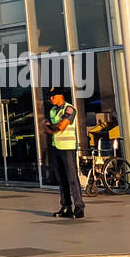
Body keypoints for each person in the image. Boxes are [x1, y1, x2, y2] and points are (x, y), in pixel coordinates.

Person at [45, 88, 84, 219]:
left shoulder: (69, 109)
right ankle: (66, 206)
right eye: (50, 96)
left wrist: (53, 128)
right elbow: (46, 127)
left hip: (67, 148)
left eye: (53, 96)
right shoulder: (53, 110)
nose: (51, 98)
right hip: (56, 147)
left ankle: (79, 207)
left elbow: (62, 126)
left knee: (72, 178)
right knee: (61, 179)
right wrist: (54, 128)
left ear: (61, 96)